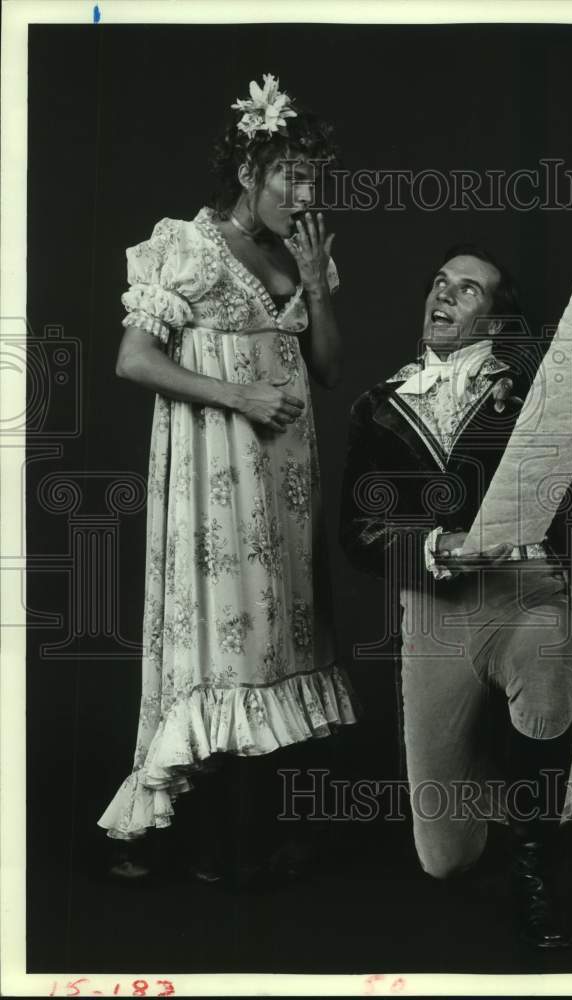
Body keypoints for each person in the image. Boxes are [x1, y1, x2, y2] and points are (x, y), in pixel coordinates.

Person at [339, 232, 572, 947]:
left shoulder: (533, 373)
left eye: (467, 287)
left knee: (546, 696)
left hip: (528, 587)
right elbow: (356, 534)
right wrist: (436, 545)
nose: (442, 293)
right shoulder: (379, 406)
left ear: (495, 320)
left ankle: (533, 862)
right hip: (434, 613)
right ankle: (507, 791)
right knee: (445, 860)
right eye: (439, 280)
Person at [98, 74, 357, 882]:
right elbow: (134, 358)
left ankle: (254, 830)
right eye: (291, 175)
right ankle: (183, 826)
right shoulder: (190, 243)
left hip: (285, 481)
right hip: (219, 474)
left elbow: (327, 371)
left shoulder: (298, 252)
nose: (304, 192)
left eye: (314, 177)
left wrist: (316, 288)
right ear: (249, 170)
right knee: (222, 636)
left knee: (279, 636)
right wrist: (237, 393)